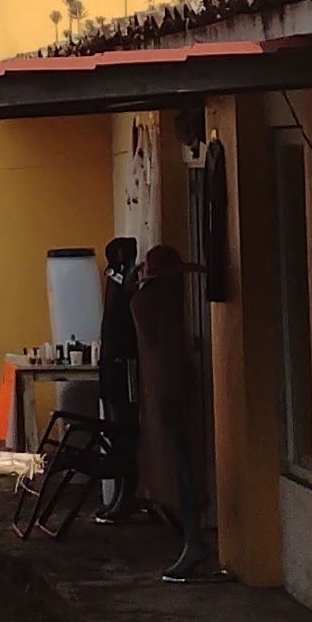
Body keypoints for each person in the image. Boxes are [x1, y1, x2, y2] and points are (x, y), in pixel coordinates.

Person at [131, 237, 212, 582]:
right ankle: (193, 540)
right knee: (183, 467)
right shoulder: (162, 300)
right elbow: (167, 351)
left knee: (181, 466)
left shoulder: (150, 298)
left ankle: (193, 540)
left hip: (163, 391)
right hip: (170, 392)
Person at [91, 234, 142, 524]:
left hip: (123, 365)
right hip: (113, 363)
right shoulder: (118, 279)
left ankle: (126, 496)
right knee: (115, 432)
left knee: (125, 433)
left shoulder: (125, 280)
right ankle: (120, 495)